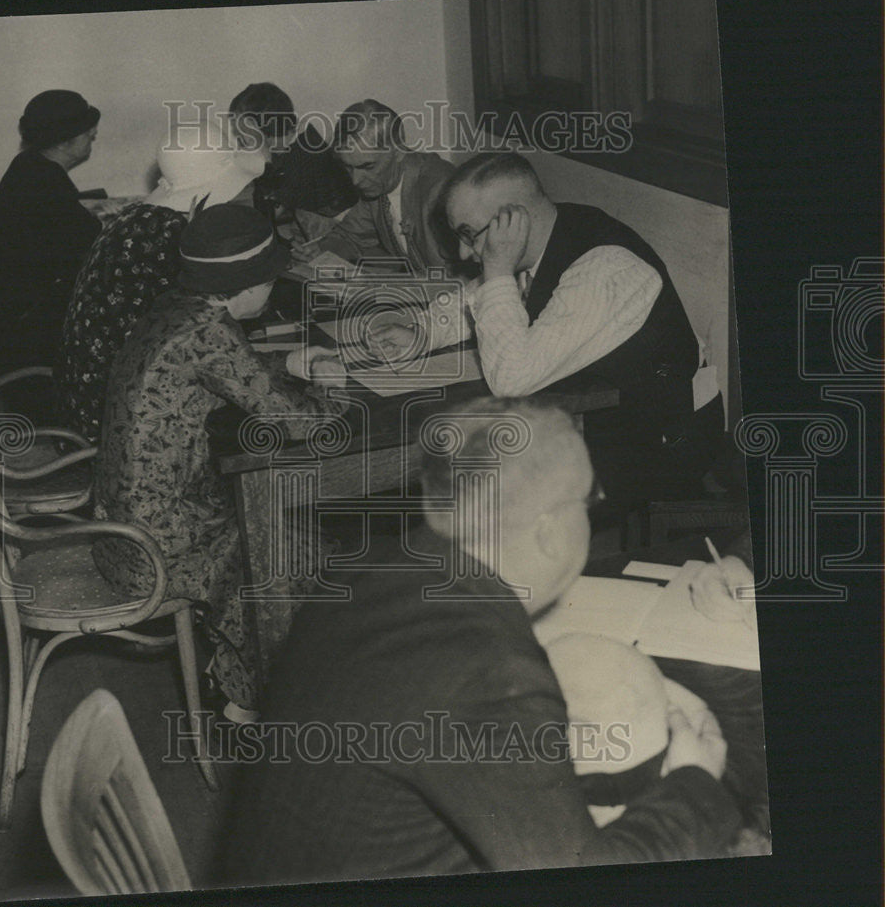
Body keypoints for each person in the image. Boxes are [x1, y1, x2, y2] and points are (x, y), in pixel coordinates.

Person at [219, 398, 741, 885]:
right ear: (548, 530)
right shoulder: (491, 674)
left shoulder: (363, 572)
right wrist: (695, 783)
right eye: (590, 499)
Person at [92, 203, 346, 716]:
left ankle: (240, 685)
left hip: (116, 528)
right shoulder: (210, 332)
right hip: (155, 550)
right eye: (271, 277)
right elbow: (297, 424)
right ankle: (261, 706)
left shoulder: (177, 307)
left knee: (289, 536)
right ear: (248, 284)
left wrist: (287, 360)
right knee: (296, 550)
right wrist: (332, 389)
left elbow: (226, 370)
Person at [368, 151, 724, 505]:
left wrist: (497, 268)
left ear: (512, 221)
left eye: (468, 235)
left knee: (472, 494)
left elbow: (510, 379)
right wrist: (423, 330)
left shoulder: (606, 269)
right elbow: (476, 295)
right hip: (588, 424)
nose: (463, 254)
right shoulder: (545, 234)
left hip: (657, 451)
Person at [55, 125, 261, 443]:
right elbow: (206, 340)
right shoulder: (176, 238)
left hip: (85, 402)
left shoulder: (139, 217)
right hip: (118, 426)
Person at [0, 90, 103, 371]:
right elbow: (92, 240)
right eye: (87, 130)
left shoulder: (28, 165)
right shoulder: (48, 182)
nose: (93, 132)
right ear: (65, 141)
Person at [291, 99, 457, 274]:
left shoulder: (441, 189)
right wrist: (319, 250)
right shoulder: (377, 188)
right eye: (348, 167)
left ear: (399, 151)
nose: (356, 181)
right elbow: (351, 236)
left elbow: (462, 273)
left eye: (368, 167)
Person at [228, 82, 358, 227]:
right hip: (305, 215)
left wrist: (265, 157)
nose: (239, 134)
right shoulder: (284, 144)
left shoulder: (305, 151)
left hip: (338, 223)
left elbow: (269, 213)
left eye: (242, 128)